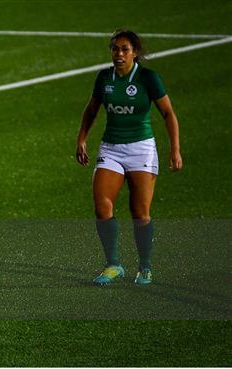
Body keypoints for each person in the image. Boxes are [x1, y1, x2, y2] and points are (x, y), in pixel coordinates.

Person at [75, 30, 182, 286]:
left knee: (140, 213)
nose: (119, 54)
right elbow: (91, 110)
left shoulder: (148, 78)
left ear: (135, 52)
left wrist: (175, 149)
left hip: (141, 149)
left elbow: (168, 113)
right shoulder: (104, 78)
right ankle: (113, 265)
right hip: (111, 148)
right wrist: (81, 138)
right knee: (102, 207)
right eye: (115, 49)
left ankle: (144, 267)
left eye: (124, 49)